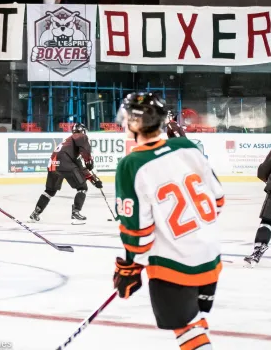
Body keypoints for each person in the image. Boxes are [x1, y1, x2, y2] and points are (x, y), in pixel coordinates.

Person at [113, 92, 225, 350]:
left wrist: (129, 268)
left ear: (134, 123)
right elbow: (217, 200)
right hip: (210, 257)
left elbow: (138, 234)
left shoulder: (132, 164)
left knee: (186, 330)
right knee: (195, 319)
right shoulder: (186, 147)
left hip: (175, 266)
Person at [29, 123, 102, 225]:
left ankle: (35, 213)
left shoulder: (68, 143)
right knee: (82, 188)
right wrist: (89, 161)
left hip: (53, 164)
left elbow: (79, 166)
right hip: (65, 163)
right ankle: (76, 213)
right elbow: (85, 154)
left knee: (50, 191)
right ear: (83, 131)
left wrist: (93, 179)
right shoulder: (81, 136)